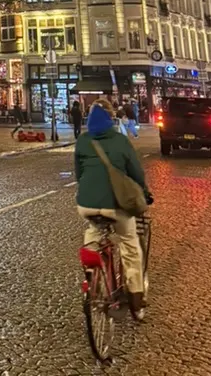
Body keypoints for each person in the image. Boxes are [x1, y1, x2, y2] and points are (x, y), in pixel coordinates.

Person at [75, 99, 151, 319]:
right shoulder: (120, 140)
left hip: (86, 204)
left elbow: (78, 174)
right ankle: (137, 301)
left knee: (93, 229)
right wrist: (144, 193)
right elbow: (136, 172)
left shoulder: (82, 141)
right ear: (112, 118)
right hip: (115, 205)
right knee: (129, 243)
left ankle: (91, 265)